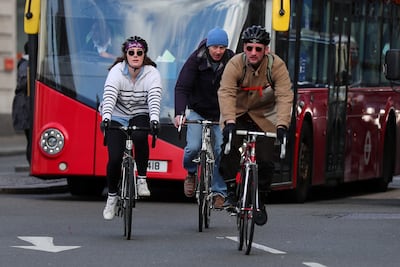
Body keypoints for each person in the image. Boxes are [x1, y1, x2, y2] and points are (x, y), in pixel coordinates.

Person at [218, 25, 293, 224]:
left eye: (258, 49)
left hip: (265, 116)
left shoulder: (276, 66)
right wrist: (230, 122)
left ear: (266, 50)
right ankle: (231, 190)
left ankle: (260, 198)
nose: (253, 53)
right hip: (238, 113)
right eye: (249, 48)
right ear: (244, 48)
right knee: (228, 148)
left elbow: (285, 96)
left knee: (266, 159)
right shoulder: (234, 64)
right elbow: (226, 93)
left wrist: (282, 126)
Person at [100, 36, 162, 220]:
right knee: (115, 158)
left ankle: (142, 179)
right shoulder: (116, 71)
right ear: (125, 55)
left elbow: (154, 97)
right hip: (117, 115)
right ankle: (111, 197)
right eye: (131, 52)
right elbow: (110, 95)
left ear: (144, 55)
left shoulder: (151, 73)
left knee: (140, 137)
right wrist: (106, 118)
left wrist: (155, 119)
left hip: (139, 113)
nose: (135, 56)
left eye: (139, 53)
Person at [174, 27, 234, 209]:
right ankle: (191, 172)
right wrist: (179, 113)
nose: (218, 51)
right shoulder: (195, 59)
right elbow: (182, 87)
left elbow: (238, 87)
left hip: (221, 113)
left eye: (222, 48)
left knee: (218, 150)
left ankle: (219, 192)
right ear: (208, 46)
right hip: (198, 110)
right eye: (214, 47)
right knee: (192, 147)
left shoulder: (232, 61)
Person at [12, 41, 32, 164]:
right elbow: (24, 83)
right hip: (25, 105)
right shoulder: (26, 64)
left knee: (30, 137)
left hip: (24, 104)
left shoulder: (25, 63)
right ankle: (31, 162)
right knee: (30, 137)